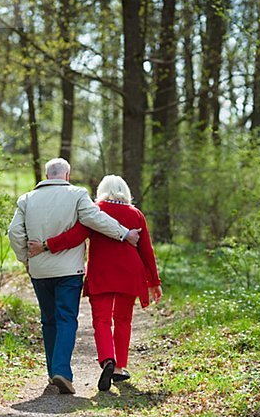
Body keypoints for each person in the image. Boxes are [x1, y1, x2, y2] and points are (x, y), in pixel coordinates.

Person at [8, 159, 141, 395]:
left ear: (47, 175)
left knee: (48, 319)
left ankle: (53, 373)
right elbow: (96, 219)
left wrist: (25, 258)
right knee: (66, 318)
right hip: (69, 271)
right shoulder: (77, 194)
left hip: (39, 270)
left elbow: (14, 232)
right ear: (67, 175)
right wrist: (124, 234)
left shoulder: (26, 199)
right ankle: (61, 371)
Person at [28, 174, 162, 392]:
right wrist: (154, 281)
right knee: (123, 320)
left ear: (101, 190)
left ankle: (107, 359)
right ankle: (119, 368)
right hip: (130, 273)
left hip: (102, 273)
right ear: (125, 192)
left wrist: (46, 245)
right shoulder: (136, 214)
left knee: (101, 320)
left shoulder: (95, 211)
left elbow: (74, 236)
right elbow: (147, 251)